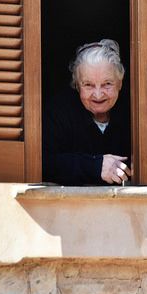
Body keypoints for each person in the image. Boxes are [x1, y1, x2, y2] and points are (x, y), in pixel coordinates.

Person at [51, 39, 131, 186]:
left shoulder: (135, 111)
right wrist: (95, 166)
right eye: (88, 85)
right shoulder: (60, 112)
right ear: (76, 85)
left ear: (120, 82)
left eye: (107, 84)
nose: (98, 95)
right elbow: (45, 163)